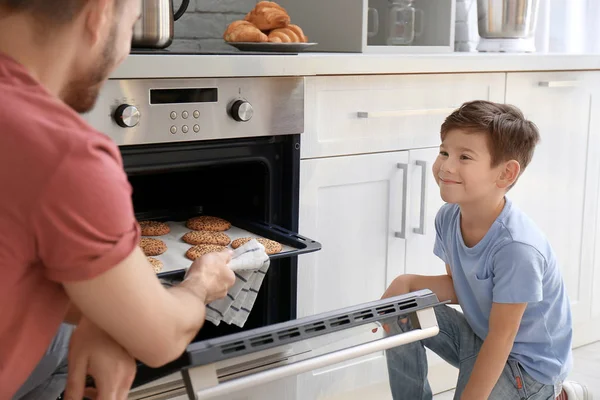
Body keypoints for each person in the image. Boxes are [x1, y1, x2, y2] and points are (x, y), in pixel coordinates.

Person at [0, 1, 236, 398]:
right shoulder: (61, 152)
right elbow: (161, 337)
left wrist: (102, 314)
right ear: (99, 17)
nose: (124, 54)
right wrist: (200, 283)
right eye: (131, 24)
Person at [381, 101, 591, 400]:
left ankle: (551, 395)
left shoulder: (517, 248)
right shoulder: (449, 216)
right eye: (444, 152)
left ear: (505, 174)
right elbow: (463, 288)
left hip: (528, 371)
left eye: (464, 156)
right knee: (400, 311)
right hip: (485, 339)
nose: (446, 166)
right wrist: (407, 285)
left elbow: (502, 337)